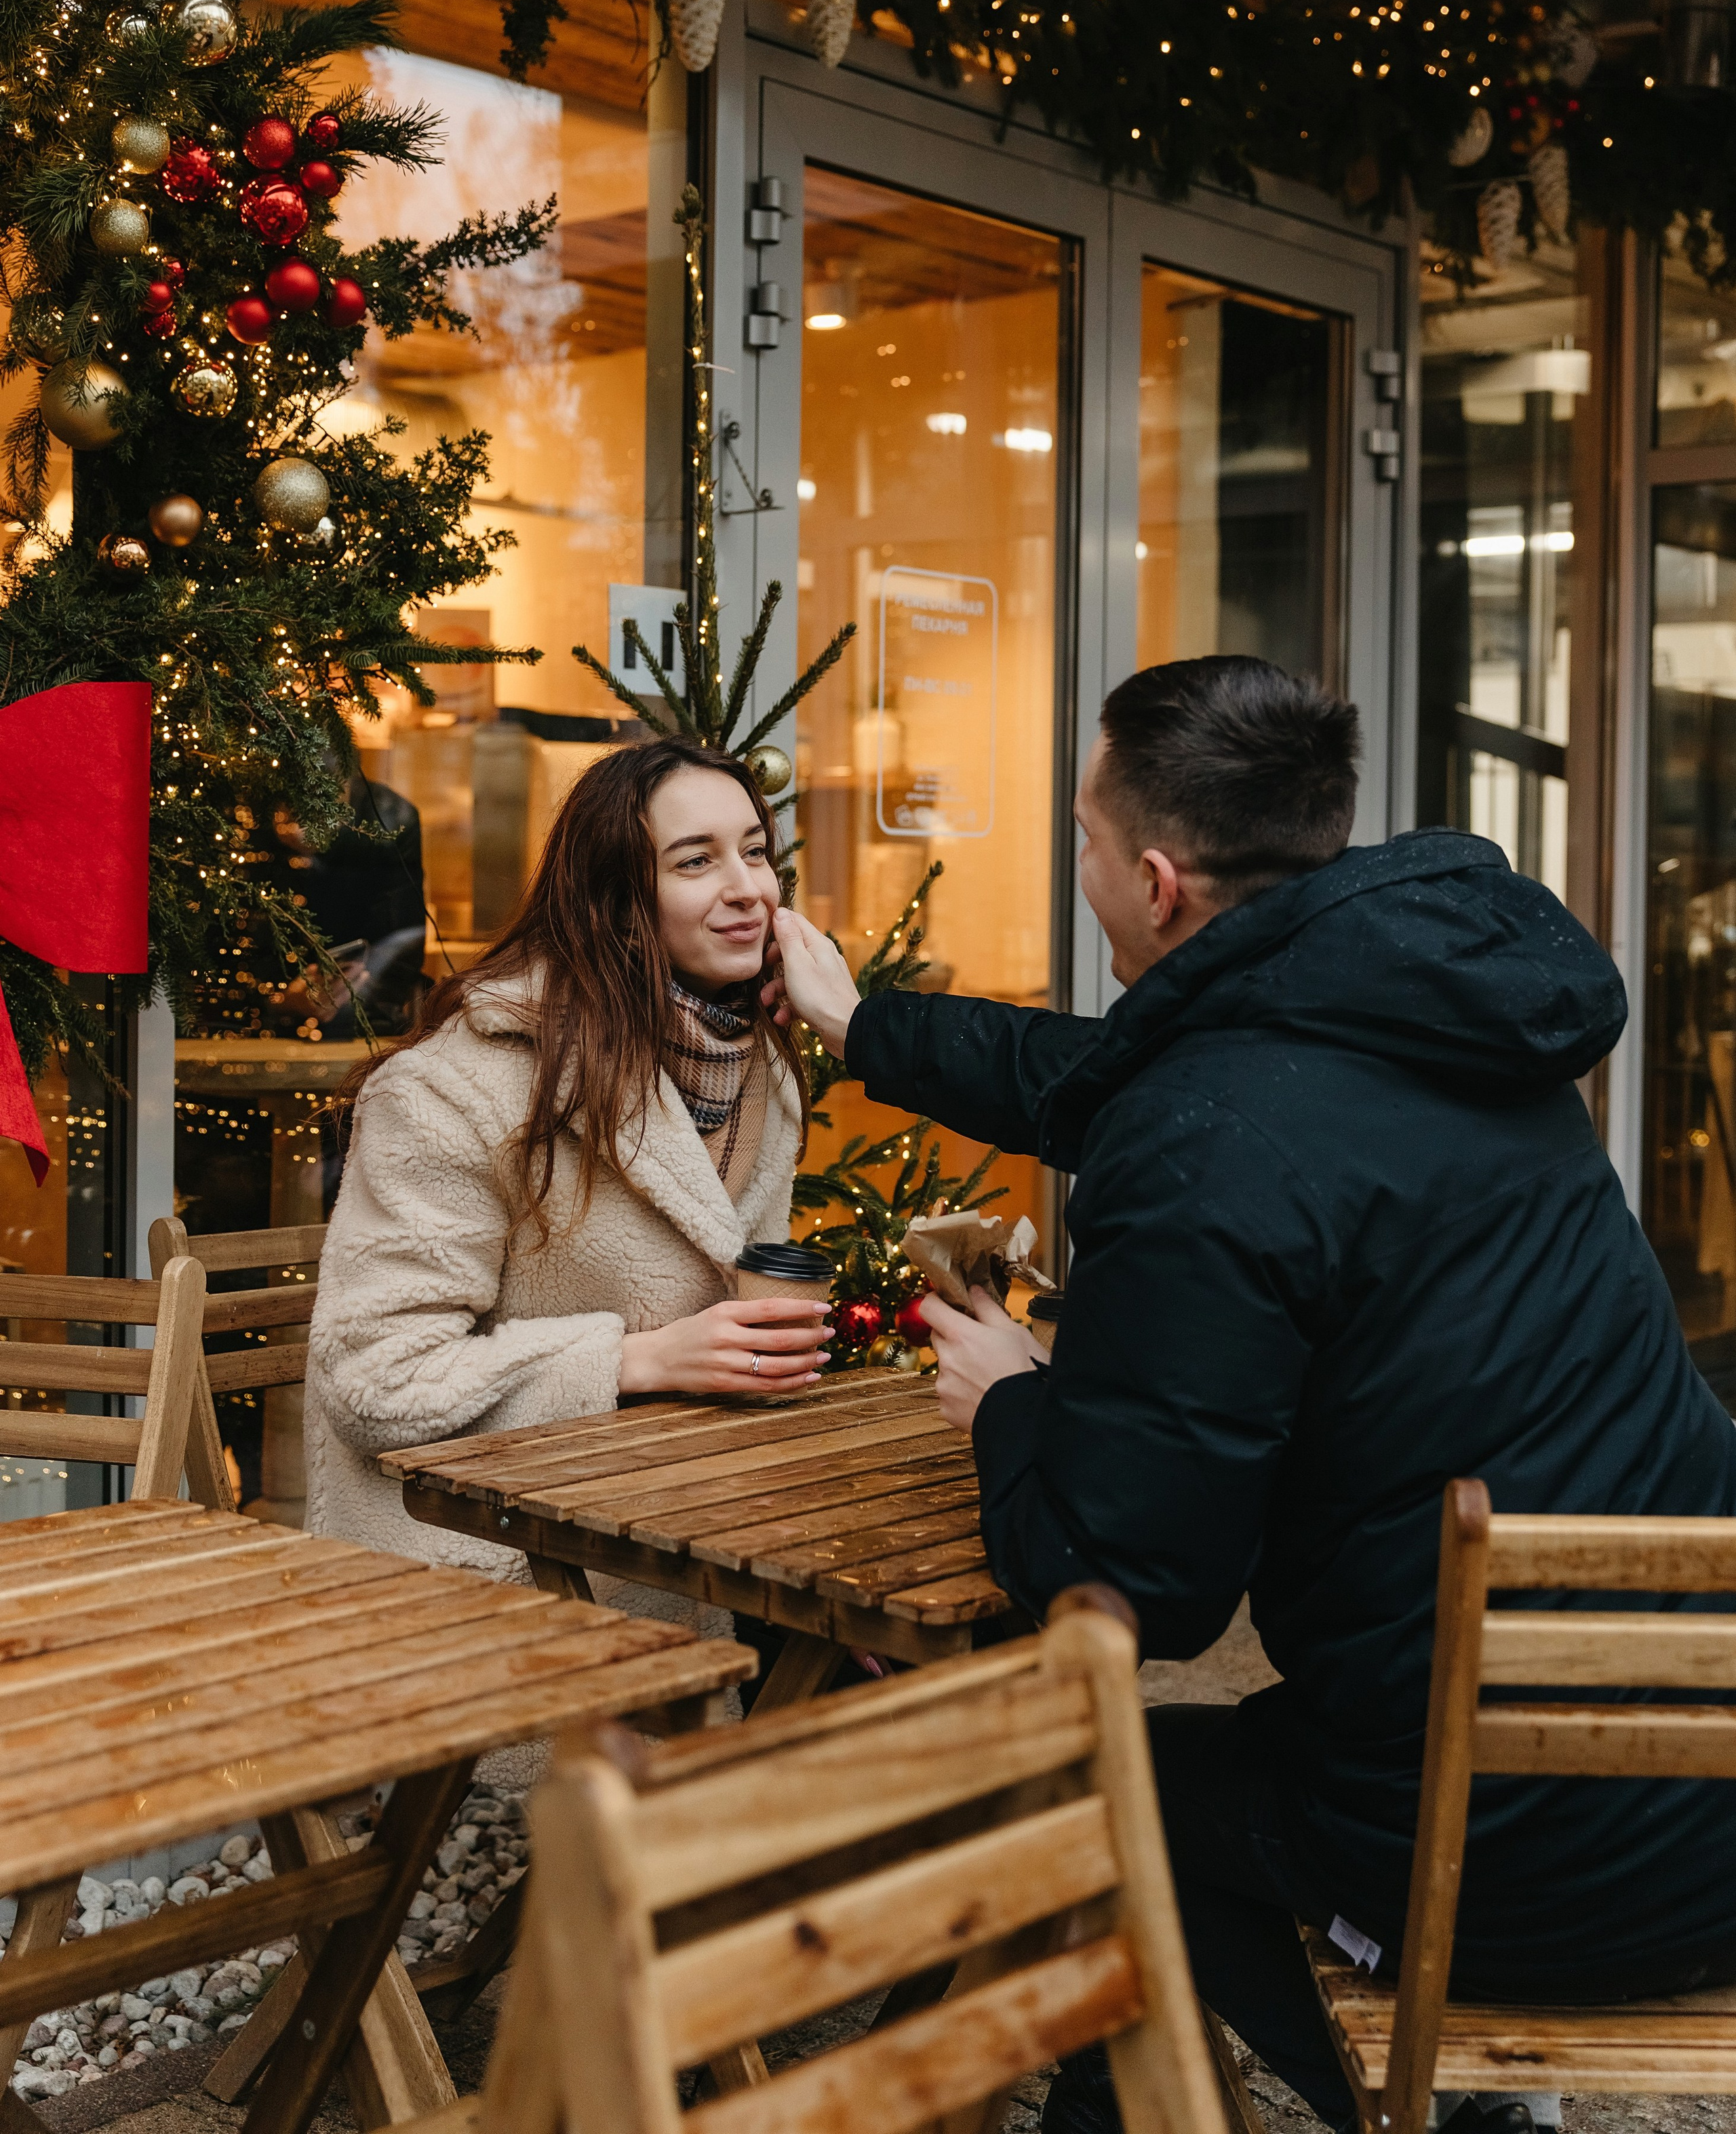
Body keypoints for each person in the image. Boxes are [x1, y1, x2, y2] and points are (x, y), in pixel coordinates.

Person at [768, 654, 1736, 2134]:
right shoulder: (1440, 1017)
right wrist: (864, 1026)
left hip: (1499, 1864)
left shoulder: (1206, 1137)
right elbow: (1116, 1075)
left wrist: (1009, 1403)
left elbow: (1132, 1591)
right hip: (1706, 1799)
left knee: (1098, 1789)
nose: (1077, 868)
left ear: (1154, 882)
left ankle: (1451, 2114)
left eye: (1081, 843)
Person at [307, 738, 833, 1649]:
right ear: (618, 899)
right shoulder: (457, 1092)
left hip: (679, 1556)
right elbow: (375, 1380)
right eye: (696, 861)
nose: (747, 887)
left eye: (755, 850)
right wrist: (641, 1361)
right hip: (483, 1593)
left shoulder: (767, 1084)